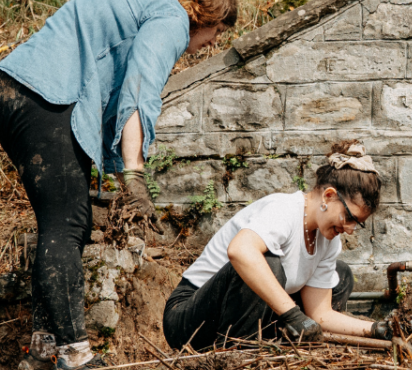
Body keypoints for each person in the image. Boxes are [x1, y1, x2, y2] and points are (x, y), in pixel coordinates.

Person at [0, 0, 237, 370]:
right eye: (218, 31)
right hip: (42, 96)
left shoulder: (142, 6)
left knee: (63, 225)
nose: (213, 42)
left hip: (13, 93)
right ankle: (75, 359)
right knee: (66, 226)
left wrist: (120, 170)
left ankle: (43, 357)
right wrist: (134, 176)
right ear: (205, 15)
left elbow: (117, 98)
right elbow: (139, 92)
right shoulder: (171, 17)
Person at [163, 141, 390, 350]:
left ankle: (274, 348)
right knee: (267, 262)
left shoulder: (328, 241)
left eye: (357, 224)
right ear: (329, 196)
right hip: (190, 320)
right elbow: (240, 251)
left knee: (340, 274)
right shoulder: (283, 209)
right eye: (349, 217)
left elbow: (320, 314)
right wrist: (292, 315)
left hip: (244, 318)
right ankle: (241, 356)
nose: (350, 229)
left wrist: (374, 330)